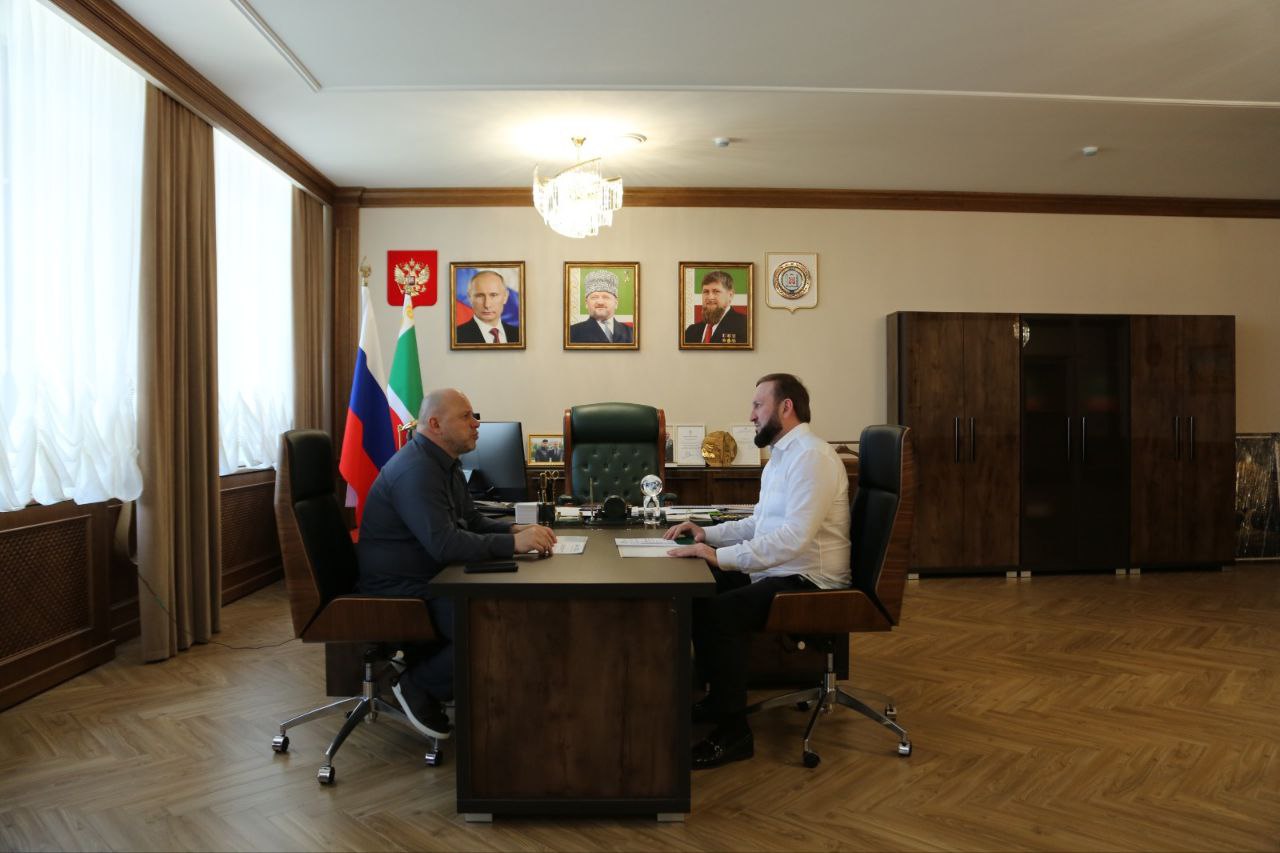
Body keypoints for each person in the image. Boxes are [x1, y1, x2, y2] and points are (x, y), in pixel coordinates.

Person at [664, 373, 851, 768]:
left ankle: (735, 734)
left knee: (721, 614)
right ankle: (720, 700)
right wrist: (707, 534)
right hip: (780, 569)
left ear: (786, 407)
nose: (750, 415)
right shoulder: (781, 457)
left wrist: (722, 557)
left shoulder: (812, 458)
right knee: (699, 590)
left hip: (810, 580)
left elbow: (793, 539)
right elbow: (759, 524)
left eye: (757, 405)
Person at [355, 388, 556, 738]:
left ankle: (443, 679)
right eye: (466, 417)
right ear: (435, 424)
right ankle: (418, 685)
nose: (476, 423)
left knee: (507, 608)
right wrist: (513, 544)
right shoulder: (416, 470)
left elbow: (471, 520)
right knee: (497, 626)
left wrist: (514, 529)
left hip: (432, 576)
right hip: (402, 589)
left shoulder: (442, 463)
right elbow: (445, 545)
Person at [568, 269, 634, 344]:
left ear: (616, 303)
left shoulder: (632, 333)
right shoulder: (571, 333)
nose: (600, 302)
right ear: (586, 303)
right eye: (594, 297)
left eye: (606, 297)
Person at [683, 270, 748, 345]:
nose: (710, 297)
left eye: (716, 291)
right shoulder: (691, 332)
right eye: (706, 292)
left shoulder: (745, 326)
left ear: (730, 295)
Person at [455, 270, 520, 344]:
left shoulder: (518, 335)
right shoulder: (457, 336)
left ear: (505, 297)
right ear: (470, 298)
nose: (487, 305)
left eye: (493, 295)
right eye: (480, 296)